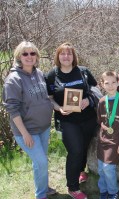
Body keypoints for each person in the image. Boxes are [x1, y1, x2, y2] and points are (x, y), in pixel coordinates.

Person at [44, 42, 98, 199]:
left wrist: (88, 100)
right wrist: (58, 108)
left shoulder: (83, 72)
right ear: (58, 56)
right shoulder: (52, 75)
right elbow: (50, 99)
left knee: (85, 146)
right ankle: (72, 187)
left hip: (88, 118)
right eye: (63, 54)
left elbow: (95, 90)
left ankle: (81, 171)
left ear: (74, 56)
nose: (66, 56)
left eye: (69, 54)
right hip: (67, 121)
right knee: (75, 151)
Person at [2, 41, 55, 199]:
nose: (29, 56)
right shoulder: (13, 80)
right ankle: (41, 195)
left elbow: (47, 98)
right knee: (41, 162)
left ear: (37, 56)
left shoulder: (38, 73)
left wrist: (59, 108)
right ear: (19, 56)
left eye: (32, 53)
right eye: (25, 54)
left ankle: (44, 187)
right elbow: (12, 109)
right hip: (27, 132)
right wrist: (25, 134)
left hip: (43, 128)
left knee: (41, 162)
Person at [97, 71, 119, 199]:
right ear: (102, 84)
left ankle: (113, 192)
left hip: (117, 140)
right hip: (103, 139)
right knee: (101, 168)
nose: (110, 85)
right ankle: (103, 190)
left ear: (118, 83)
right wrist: (103, 126)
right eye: (107, 83)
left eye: (113, 82)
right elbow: (100, 121)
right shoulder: (101, 101)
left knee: (108, 168)